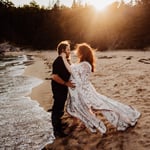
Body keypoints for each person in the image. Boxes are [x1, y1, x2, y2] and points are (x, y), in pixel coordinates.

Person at [61, 43, 141, 134]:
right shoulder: (83, 63)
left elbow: (71, 70)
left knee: (103, 106)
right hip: (85, 89)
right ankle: (87, 121)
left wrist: (63, 58)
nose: (76, 52)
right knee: (96, 105)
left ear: (82, 53)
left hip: (86, 91)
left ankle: (124, 118)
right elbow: (74, 69)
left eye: (78, 51)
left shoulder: (85, 65)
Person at [51, 40, 75, 138]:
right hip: (58, 87)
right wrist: (66, 83)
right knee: (58, 106)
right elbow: (54, 76)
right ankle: (57, 130)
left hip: (64, 86)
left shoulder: (66, 60)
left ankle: (59, 124)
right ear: (62, 50)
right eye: (68, 49)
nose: (70, 51)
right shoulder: (58, 61)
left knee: (61, 106)